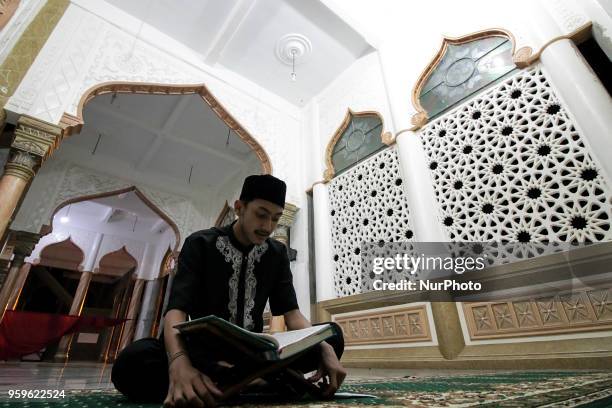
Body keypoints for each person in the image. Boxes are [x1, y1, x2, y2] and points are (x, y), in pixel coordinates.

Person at [111, 174, 347, 407]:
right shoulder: (201, 243)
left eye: (275, 219)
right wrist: (179, 363)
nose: (267, 227)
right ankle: (254, 382)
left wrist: (323, 347)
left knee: (332, 334)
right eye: (261, 215)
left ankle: (225, 384)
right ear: (239, 207)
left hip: (254, 355)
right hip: (203, 355)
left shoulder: (276, 254)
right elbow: (176, 311)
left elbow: (292, 315)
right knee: (133, 361)